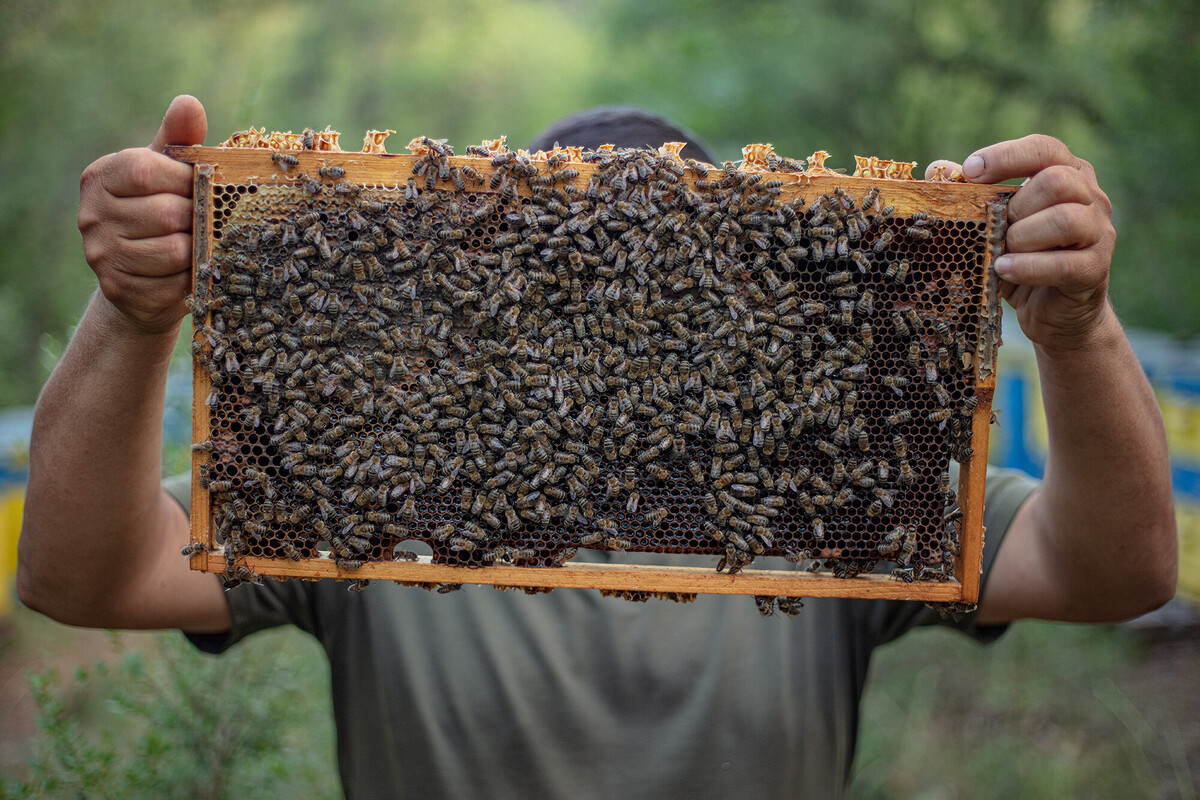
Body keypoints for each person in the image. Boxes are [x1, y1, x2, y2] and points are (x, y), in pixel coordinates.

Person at [18, 95, 1177, 799]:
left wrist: (1078, 329)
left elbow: (1114, 569)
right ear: (500, 294)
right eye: (567, 283)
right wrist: (133, 315)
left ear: (740, 304)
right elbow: (86, 574)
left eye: (672, 293)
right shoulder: (387, 487)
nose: (619, 329)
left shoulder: (832, 494)